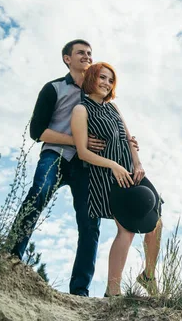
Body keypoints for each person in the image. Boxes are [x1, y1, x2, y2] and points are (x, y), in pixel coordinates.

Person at [9, 39, 137, 297]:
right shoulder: (54, 88)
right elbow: (37, 132)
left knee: (90, 224)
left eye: (90, 53)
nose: (87, 56)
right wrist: (77, 142)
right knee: (38, 194)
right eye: (81, 53)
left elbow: (112, 126)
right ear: (67, 58)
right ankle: (10, 257)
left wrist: (125, 141)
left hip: (85, 166)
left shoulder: (97, 93)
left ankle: (80, 290)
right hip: (55, 156)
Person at [70, 62, 164, 297]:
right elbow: (82, 152)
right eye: (102, 77)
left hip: (131, 171)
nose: (106, 83)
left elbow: (128, 137)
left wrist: (137, 162)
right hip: (106, 174)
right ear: (92, 78)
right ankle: (113, 291)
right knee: (127, 230)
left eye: (110, 80)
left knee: (156, 222)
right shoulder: (81, 110)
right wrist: (113, 166)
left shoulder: (113, 108)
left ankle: (148, 275)